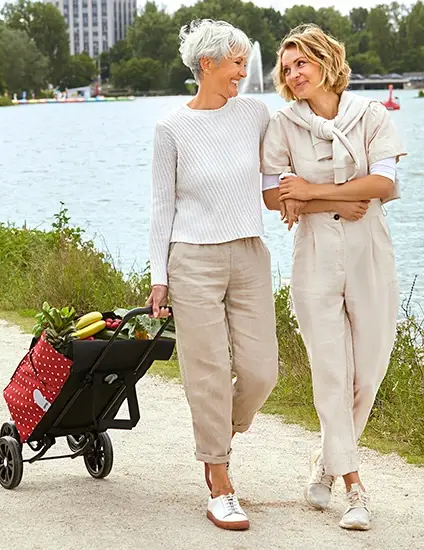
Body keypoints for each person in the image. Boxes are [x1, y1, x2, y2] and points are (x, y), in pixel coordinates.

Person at [261, 23, 406, 532]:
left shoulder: (368, 116)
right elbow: (273, 197)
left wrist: (313, 192)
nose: (293, 74)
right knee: (331, 373)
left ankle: (325, 461)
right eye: (286, 67)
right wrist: (342, 195)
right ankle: (355, 488)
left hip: (370, 251)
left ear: (325, 61)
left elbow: (384, 185)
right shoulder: (282, 126)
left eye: (301, 63)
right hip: (314, 254)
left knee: (367, 373)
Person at [146, 19, 279, 531]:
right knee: (206, 375)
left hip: (248, 253)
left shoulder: (255, 114)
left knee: (261, 370)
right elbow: (162, 206)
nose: (244, 73)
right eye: (237, 63)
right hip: (192, 260)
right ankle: (219, 482)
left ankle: (220, 432)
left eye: (246, 63)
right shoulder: (171, 127)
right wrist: (161, 276)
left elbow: (283, 158)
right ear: (207, 65)